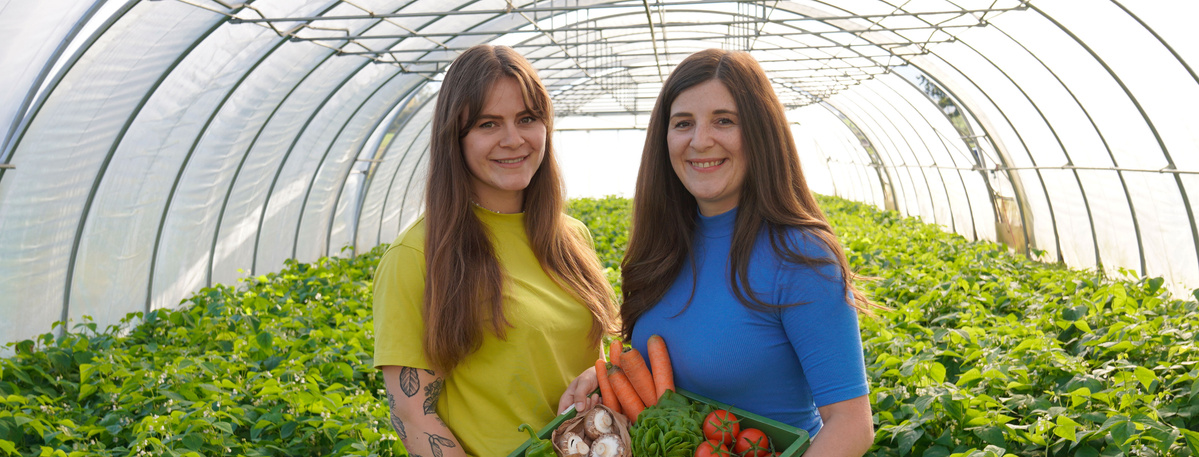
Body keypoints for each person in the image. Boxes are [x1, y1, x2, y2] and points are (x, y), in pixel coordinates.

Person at [621, 49, 877, 456]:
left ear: (760, 131)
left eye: (725, 120)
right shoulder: (662, 248)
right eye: (683, 123)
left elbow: (851, 425)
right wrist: (603, 374)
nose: (700, 140)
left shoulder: (800, 256)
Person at [372, 44, 617, 457]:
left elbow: (595, 359)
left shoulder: (571, 238)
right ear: (457, 137)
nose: (513, 139)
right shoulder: (419, 256)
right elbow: (414, 417)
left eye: (527, 119)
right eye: (488, 124)